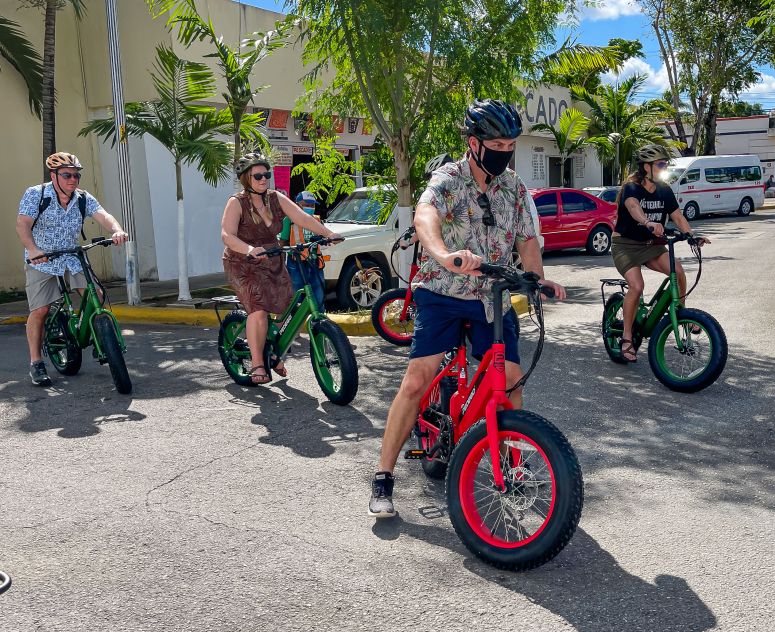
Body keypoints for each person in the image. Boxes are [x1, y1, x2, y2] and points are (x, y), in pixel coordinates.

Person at [368, 99, 567, 518]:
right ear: (474, 143)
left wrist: (536, 277)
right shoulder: (448, 178)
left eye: (510, 143)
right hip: (442, 290)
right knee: (419, 377)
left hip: (490, 296)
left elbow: (527, 239)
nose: (505, 149)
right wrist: (442, 254)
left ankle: (511, 463)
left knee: (510, 379)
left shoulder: (513, 187)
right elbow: (425, 217)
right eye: (497, 142)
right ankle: (384, 476)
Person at [221, 153, 341, 384]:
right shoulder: (236, 202)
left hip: (272, 257)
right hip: (242, 261)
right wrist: (248, 249)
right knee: (258, 309)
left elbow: (302, 217)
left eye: (267, 174)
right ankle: (258, 363)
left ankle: (272, 350)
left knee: (285, 306)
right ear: (247, 178)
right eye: (258, 176)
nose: (264, 179)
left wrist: (327, 233)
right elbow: (227, 235)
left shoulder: (275, 198)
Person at [16, 152, 129, 387]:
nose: (73, 180)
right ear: (53, 176)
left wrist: (116, 230)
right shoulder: (36, 194)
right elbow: (23, 224)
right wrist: (33, 249)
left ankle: (102, 341)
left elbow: (104, 216)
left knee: (95, 295)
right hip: (42, 258)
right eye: (66, 175)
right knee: (41, 309)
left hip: (72, 255)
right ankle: (36, 363)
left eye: (76, 175)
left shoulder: (82, 198)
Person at [610, 144, 708, 363]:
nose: (664, 168)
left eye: (665, 164)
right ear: (646, 167)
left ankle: (682, 313)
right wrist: (647, 222)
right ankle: (627, 337)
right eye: (660, 164)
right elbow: (634, 207)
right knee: (637, 286)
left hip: (652, 243)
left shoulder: (664, 189)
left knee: (678, 271)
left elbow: (678, 216)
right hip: (625, 244)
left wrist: (691, 235)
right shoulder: (631, 187)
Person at [279, 191, 327, 312]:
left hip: (315, 261)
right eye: (307, 205)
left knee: (318, 296)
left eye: (312, 205)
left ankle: (319, 324)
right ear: (298, 205)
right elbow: (283, 241)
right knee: (297, 296)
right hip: (296, 263)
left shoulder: (317, 220)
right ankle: (295, 326)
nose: (310, 208)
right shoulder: (288, 220)